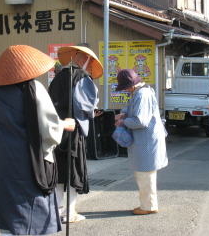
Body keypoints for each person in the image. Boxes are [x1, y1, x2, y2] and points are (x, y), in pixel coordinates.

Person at [0, 45, 76, 236]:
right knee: (34, 218)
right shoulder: (33, 89)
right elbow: (49, 131)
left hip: (0, 170)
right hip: (30, 170)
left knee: (9, 221)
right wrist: (66, 124)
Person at [48, 46, 103, 223]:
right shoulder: (82, 78)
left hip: (56, 130)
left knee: (58, 172)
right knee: (74, 173)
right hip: (74, 131)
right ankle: (70, 212)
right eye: (88, 61)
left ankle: (55, 211)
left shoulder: (57, 78)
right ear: (83, 60)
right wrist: (93, 112)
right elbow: (86, 106)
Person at [114, 69, 168, 215]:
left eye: (125, 87)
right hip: (146, 139)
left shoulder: (141, 94)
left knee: (145, 174)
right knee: (145, 173)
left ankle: (148, 206)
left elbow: (140, 120)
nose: (125, 90)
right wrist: (124, 114)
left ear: (131, 85)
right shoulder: (141, 91)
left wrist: (123, 121)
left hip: (146, 140)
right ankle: (148, 204)